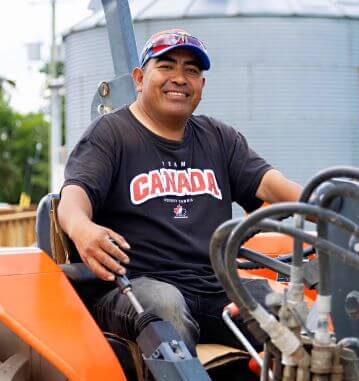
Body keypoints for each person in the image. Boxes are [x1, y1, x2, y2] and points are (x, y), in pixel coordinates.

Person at [58, 29, 301, 354]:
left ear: (202, 85)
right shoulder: (111, 135)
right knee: (167, 305)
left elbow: (274, 187)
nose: (180, 78)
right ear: (140, 78)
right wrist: (82, 229)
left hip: (213, 287)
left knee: (291, 314)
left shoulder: (219, 139)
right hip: (133, 287)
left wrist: (338, 204)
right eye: (167, 66)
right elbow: (73, 198)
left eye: (192, 70)